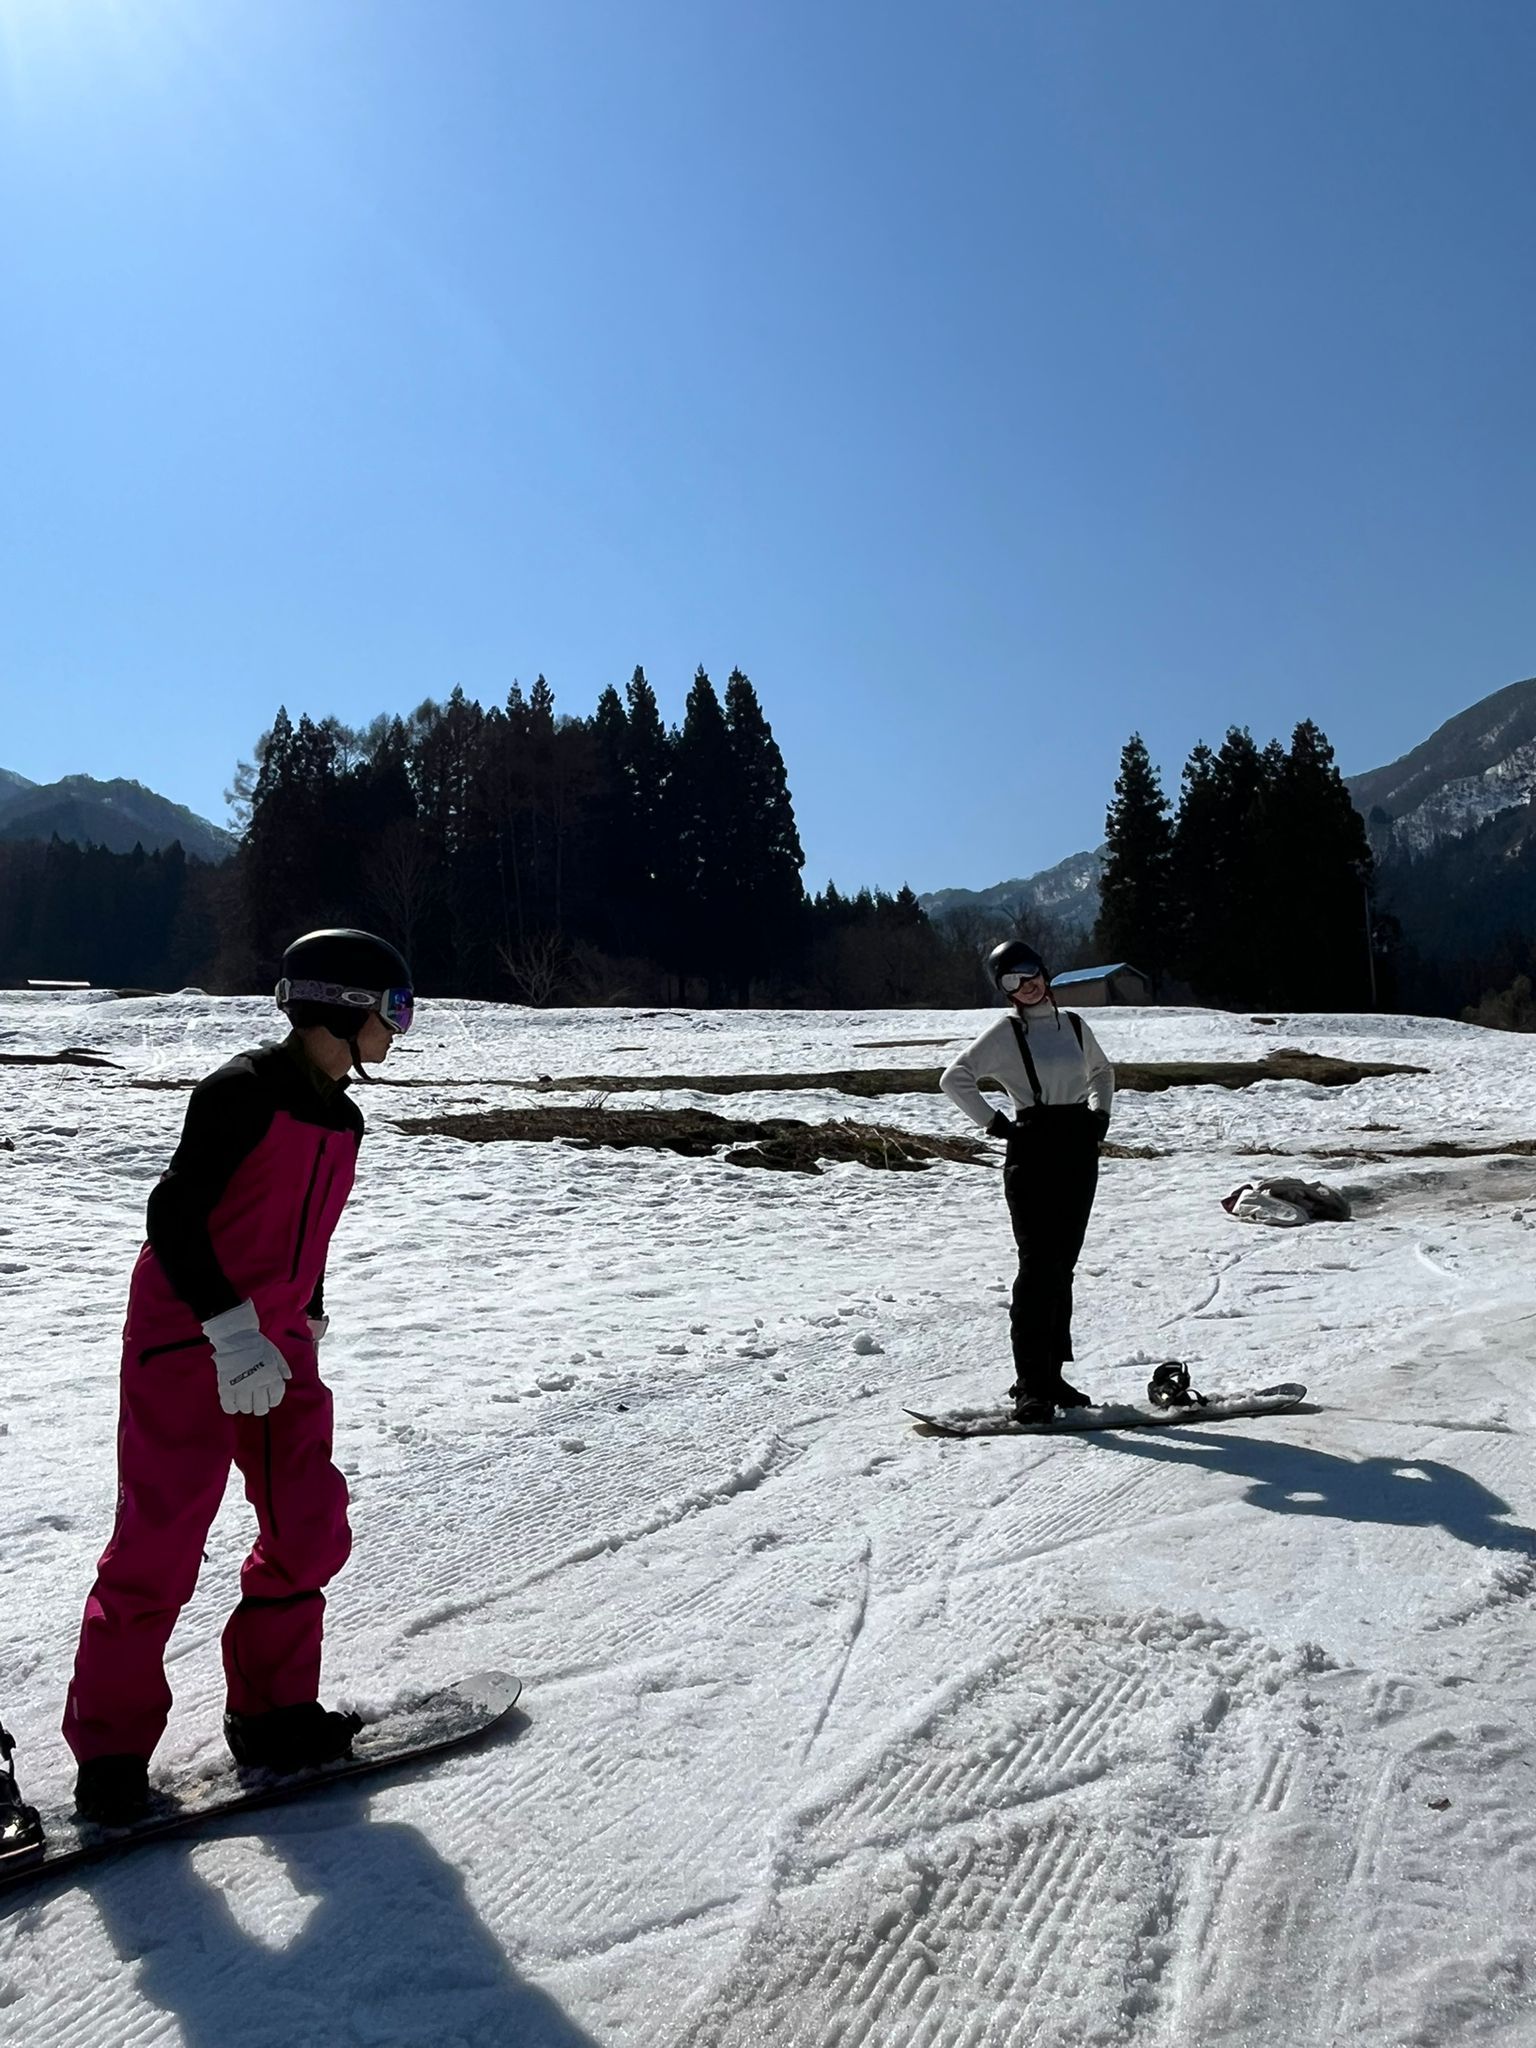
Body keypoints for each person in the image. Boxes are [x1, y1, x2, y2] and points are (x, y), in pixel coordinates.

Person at [62, 929, 414, 1826]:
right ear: (342, 1005)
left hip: (279, 1342)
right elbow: (173, 1215)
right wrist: (227, 1327)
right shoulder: (241, 1090)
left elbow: (308, 1229)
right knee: (159, 1542)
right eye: (395, 1008)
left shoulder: (342, 1117)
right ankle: (110, 1756)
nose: (399, 1028)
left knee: (309, 1519)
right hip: (187, 1335)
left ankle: (272, 1711)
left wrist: (309, 1310)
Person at [940, 940, 1114, 1423]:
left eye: (1029, 972)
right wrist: (995, 1124)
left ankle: (1052, 1377)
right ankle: (1030, 1385)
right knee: (1038, 1268)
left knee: (1063, 1267)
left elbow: (1102, 1071)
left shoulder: (1074, 1025)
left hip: (1078, 1149)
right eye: (1012, 980)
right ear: (1005, 990)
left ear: (1044, 971)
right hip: (1032, 1152)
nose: (1026, 985)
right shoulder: (1006, 1032)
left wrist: (1100, 1116)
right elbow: (955, 1078)